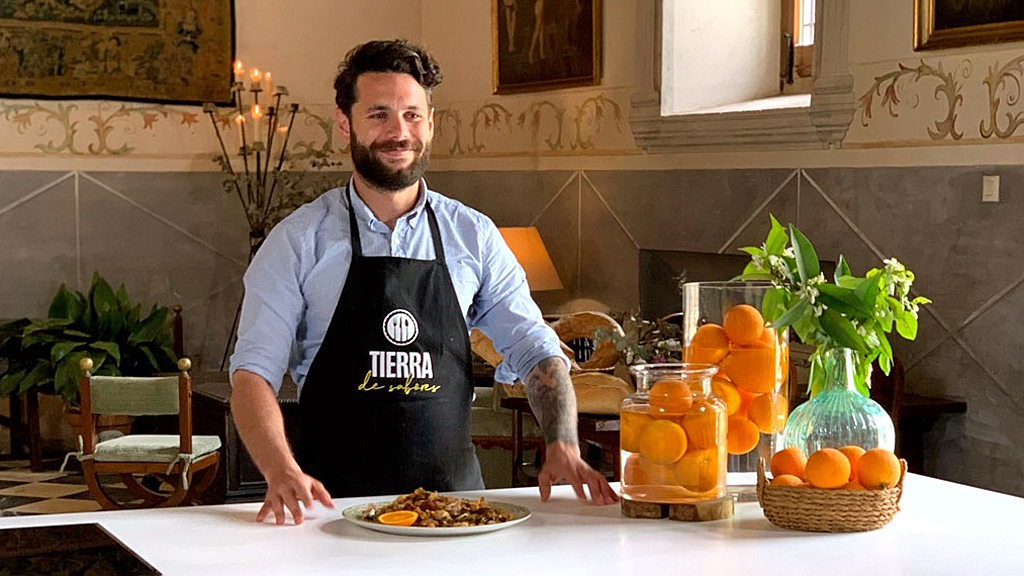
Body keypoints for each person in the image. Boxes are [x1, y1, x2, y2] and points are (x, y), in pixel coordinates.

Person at [229, 39, 618, 526]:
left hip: (456, 515)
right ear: (344, 124)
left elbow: (535, 349)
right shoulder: (298, 241)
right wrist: (279, 469)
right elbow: (252, 375)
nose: (399, 132)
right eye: (379, 115)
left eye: (412, 115)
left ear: (430, 124)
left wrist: (563, 443)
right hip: (331, 515)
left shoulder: (473, 235)